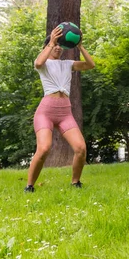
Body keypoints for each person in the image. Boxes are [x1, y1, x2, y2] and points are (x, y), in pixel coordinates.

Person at [25, 25, 95, 192]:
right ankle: (29, 186)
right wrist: (51, 40)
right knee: (43, 149)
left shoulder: (67, 64)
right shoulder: (43, 64)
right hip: (46, 113)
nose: (57, 47)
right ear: (48, 46)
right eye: (54, 44)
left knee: (81, 148)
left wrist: (80, 46)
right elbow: (38, 62)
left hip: (65, 113)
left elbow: (90, 64)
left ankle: (75, 182)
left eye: (59, 45)